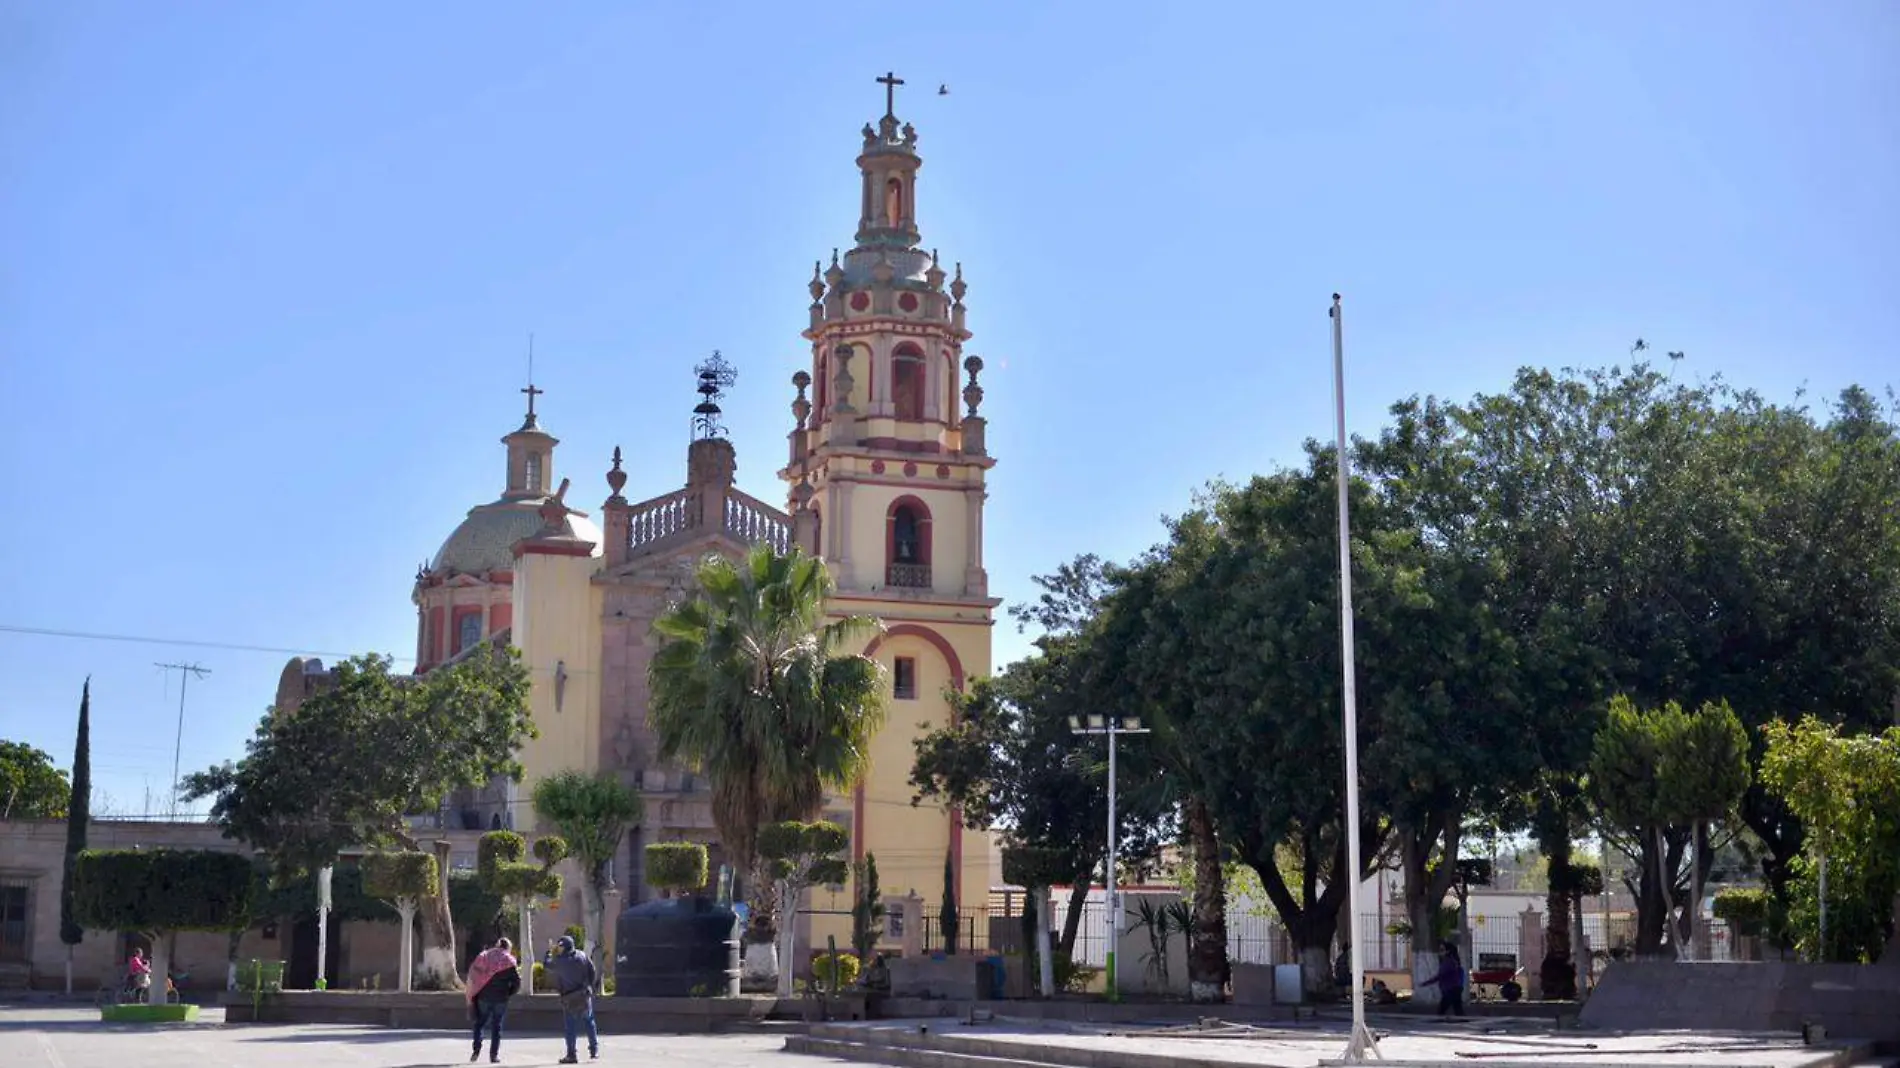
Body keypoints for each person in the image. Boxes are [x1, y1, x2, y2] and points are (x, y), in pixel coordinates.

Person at [542, 935, 599, 1064]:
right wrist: (589, 985)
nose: (560, 948)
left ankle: (571, 1055)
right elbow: (592, 970)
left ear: (565, 947)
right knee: (589, 1022)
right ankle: (594, 1050)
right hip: (584, 994)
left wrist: (549, 951)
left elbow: (546, 964)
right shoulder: (582, 955)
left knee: (570, 1027)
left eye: (561, 946)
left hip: (569, 997)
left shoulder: (559, 961)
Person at [464, 937, 521, 1064]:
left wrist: (474, 992)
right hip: (501, 998)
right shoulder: (510, 961)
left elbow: (474, 974)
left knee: (479, 1023)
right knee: (497, 1027)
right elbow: (517, 983)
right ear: (508, 948)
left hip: (483, 997)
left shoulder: (484, 956)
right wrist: (509, 993)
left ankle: (476, 1049)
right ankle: (493, 1056)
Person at [1418, 940, 1467, 1018]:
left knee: (1442, 1011)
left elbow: (1440, 976)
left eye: (1442, 950)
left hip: (1450, 990)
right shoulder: (1453, 961)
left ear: (1448, 951)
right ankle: (1463, 1022)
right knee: (1458, 1010)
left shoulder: (1448, 962)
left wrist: (1425, 983)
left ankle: (1439, 1024)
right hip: (1455, 989)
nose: (1440, 952)